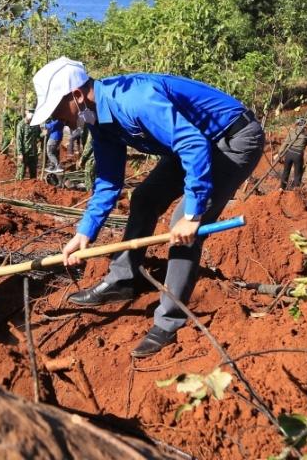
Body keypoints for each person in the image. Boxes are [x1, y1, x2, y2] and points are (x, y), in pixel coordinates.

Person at [30, 57, 265, 358]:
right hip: (194, 142)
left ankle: (169, 320)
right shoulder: (98, 120)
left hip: (231, 138)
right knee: (144, 198)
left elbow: (193, 145)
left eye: (57, 110)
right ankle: (123, 279)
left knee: (182, 227)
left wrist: (193, 214)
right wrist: (84, 233)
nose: (58, 121)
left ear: (76, 96)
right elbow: (108, 180)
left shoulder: (135, 100)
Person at [279, 118, 307, 190]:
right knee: (297, 174)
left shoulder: (292, 131)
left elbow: (285, 143)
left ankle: (281, 189)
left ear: (297, 124)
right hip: (298, 155)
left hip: (289, 153)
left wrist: (280, 154)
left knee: (286, 172)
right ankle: (296, 191)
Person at [14, 109, 41, 180]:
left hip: (33, 152)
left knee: (33, 173)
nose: (30, 121)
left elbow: (38, 136)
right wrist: (20, 153)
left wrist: (43, 134)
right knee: (21, 173)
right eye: (29, 120)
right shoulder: (21, 125)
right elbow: (19, 140)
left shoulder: (36, 124)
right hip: (24, 153)